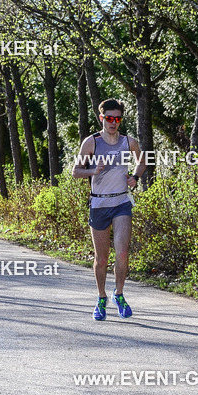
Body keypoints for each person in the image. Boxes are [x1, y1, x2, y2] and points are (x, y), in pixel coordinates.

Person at [72, 98, 148, 320]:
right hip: (99, 204)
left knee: (122, 252)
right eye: (109, 118)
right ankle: (101, 297)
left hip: (121, 202)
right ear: (101, 118)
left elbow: (142, 162)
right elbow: (76, 171)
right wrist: (93, 171)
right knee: (102, 258)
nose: (113, 123)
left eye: (117, 119)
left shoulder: (129, 142)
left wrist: (135, 177)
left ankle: (119, 294)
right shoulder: (91, 143)